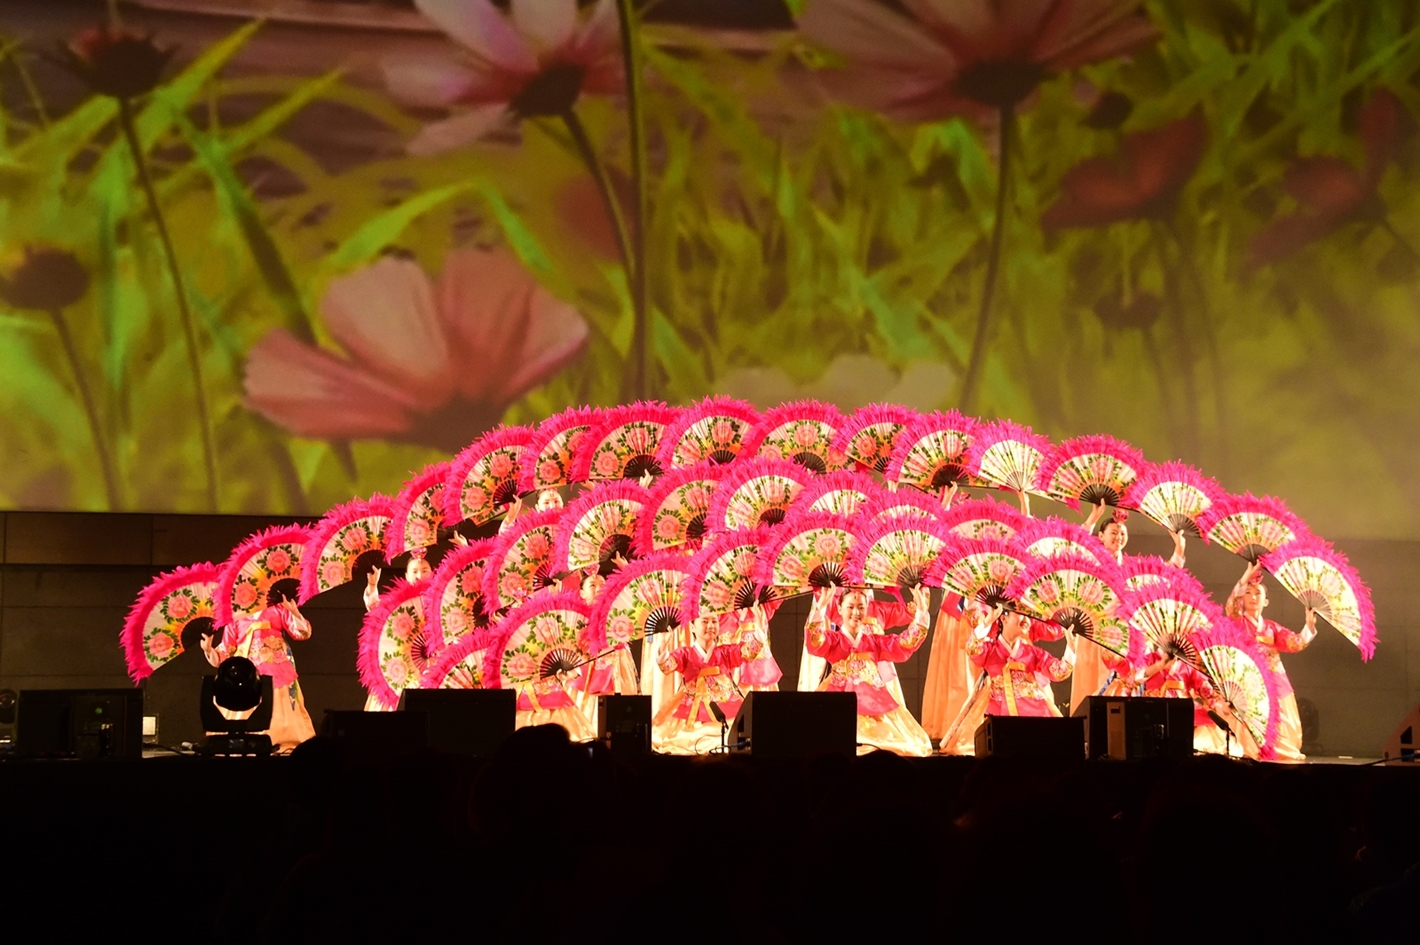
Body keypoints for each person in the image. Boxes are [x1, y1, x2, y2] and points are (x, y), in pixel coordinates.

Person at [1071, 502, 1186, 714]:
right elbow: (1076, 547)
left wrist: (1179, 549)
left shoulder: (1134, 568)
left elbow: (1162, 577)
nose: (1119, 537)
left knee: (1127, 685)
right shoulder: (1089, 561)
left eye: (1122, 533)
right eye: (1113, 532)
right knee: (1090, 689)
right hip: (1093, 633)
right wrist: (1093, 517)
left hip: (1125, 636)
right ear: (1101, 536)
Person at [804, 587, 933, 757]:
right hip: (839, 696)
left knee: (898, 741)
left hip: (874, 698)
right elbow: (815, 641)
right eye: (850, 607)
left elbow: (905, 642)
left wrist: (921, 613)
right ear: (839, 609)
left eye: (861, 607)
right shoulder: (833, 641)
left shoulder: (874, 642)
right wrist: (820, 608)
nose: (856, 612)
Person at [201, 580, 315, 751]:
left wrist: (294, 612)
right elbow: (226, 649)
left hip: (276, 668)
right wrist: (208, 649)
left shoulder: (277, 608)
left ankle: (283, 741)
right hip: (244, 672)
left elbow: (301, 633)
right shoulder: (235, 615)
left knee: (278, 706)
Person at [1225, 562, 1317, 762]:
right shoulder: (1238, 622)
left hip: (1274, 679)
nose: (1253, 597)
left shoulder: (1271, 628)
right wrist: (1247, 574)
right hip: (1248, 679)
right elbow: (1231, 607)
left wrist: (1308, 626)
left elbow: (1294, 643)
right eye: (1248, 593)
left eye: (1257, 593)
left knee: (1282, 719)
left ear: (1266, 601)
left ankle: (1279, 751)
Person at [652, 608, 764, 754]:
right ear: (693, 627)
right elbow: (667, 666)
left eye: (714, 622)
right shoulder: (685, 654)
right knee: (685, 740)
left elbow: (749, 652)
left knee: (734, 735)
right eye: (705, 622)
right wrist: (663, 644)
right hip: (694, 710)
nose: (710, 626)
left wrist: (759, 624)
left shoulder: (725, 652)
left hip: (724, 707)